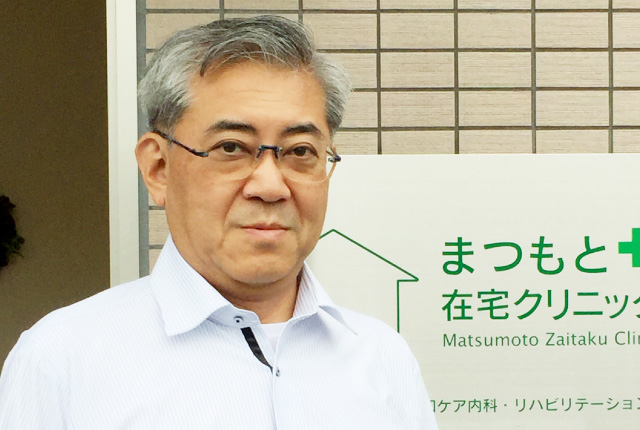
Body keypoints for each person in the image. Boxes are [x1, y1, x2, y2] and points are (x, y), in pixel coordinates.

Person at [0, 16, 438, 429]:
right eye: (231, 147)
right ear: (158, 168)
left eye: (301, 151)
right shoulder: (63, 360)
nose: (270, 185)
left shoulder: (381, 357)